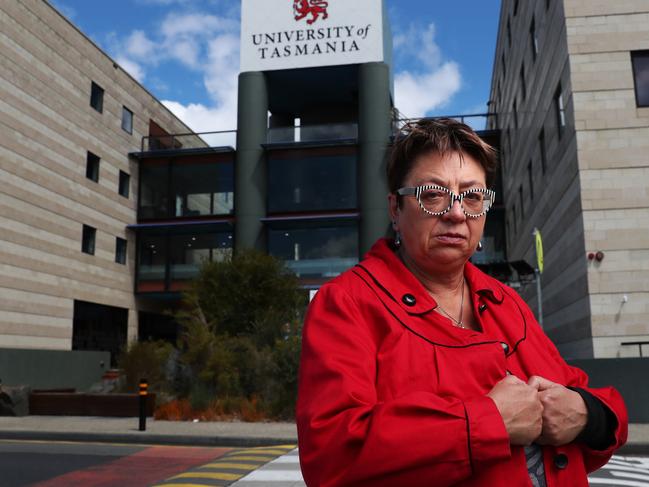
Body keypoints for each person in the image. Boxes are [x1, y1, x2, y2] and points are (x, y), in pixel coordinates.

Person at [296, 118, 627, 487]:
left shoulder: (506, 301)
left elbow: (583, 393)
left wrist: (586, 415)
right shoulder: (348, 302)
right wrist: (487, 423)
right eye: (433, 194)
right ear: (395, 209)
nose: (455, 213)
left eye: (471, 197)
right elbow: (330, 455)